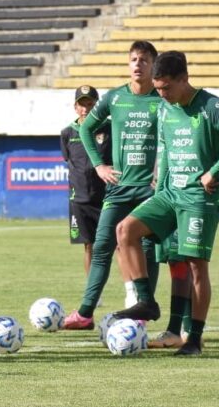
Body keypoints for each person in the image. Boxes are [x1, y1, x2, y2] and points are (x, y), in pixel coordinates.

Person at [112, 51, 219, 355]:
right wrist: (158, 189)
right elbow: (164, 149)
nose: (161, 94)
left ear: (184, 79)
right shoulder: (164, 108)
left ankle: (195, 339)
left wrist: (215, 171)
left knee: (196, 267)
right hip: (169, 194)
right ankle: (146, 301)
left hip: (199, 199)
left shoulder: (210, 105)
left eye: (166, 88)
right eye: (158, 88)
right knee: (125, 230)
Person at [61, 41, 162, 329]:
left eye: (144, 59)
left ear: (153, 64)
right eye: (133, 59)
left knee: (146, 247)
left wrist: (161, 172)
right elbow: (85, 127)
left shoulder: (162, 99)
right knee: (102, 245)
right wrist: (99, 165)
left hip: (149, 190)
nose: (138, 64)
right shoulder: (116, 97)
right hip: (118, 188)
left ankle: (142, 310)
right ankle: (84, 313)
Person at [60, 85, 111, 277]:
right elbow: (69, 160)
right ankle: (93, 293)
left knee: (118, 244)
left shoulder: (110, 128)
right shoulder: (67, 133)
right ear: (75, 107)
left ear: (97, 106)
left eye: (90, 104)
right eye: (82, 104)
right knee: (89, 246)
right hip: (80, 198)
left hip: (107, 196)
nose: (85, 109)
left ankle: (131, 290)